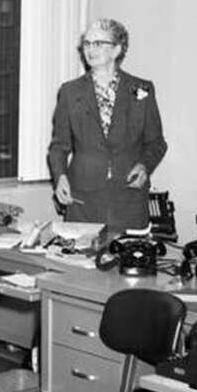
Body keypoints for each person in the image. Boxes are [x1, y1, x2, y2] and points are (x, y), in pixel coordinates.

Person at [48, 18, 167, 239]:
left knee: (130, 267)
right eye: (86, 43)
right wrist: (60, 177)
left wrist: (144, 166)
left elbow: (157, 143)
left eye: (98, 43)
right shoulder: (70, 92)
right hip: (83, 201)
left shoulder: (142, 90)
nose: (90, 49)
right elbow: (59, 147)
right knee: (82, 269)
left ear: (117, 49)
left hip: (129, 200)